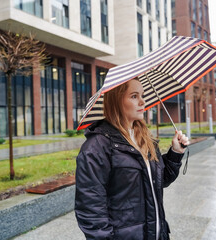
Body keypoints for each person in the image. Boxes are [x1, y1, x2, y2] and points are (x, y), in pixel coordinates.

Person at [75, 78, 189, 240]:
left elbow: (159, 181)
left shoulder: (145, 138)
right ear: (116, 101)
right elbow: (91, 209)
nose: (143, 101)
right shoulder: (97, 147)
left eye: (142, 95)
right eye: (134, 96)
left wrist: (175, 153)